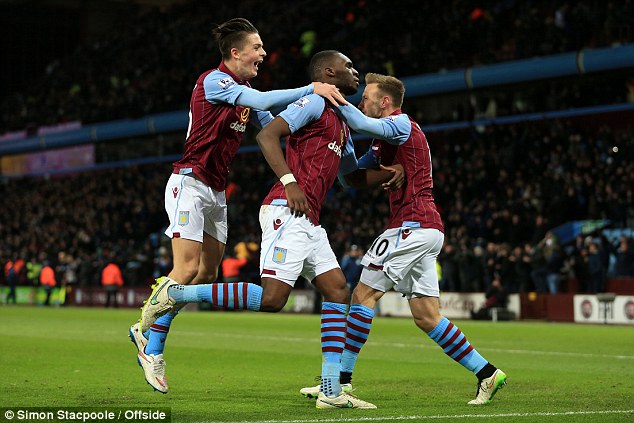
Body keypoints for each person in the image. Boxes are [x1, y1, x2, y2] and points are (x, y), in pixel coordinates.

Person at [141, 51, 403, 408]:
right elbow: (267, 135)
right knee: (273, 299)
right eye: (349, 68)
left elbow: (352, 177)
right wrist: (290, 181)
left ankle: (330, 390)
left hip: (310, 219)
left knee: (339, 291)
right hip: (286, 207)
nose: (355, 73)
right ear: (329, 73)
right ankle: (176, 295)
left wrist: (390, 174)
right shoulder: (312, 103)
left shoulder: (341, 119)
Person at [129, 18, 347, 394]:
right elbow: (263, 101)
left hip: (215, 191)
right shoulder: (214, 81)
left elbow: (271, 122)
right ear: (235, 52)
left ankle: (154, 327)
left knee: (206, 275)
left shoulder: (244, 91)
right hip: (189, 182)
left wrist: (315, 116)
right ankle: (149, 341)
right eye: (257, 47)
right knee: (186, 268)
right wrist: (311, 87)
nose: (263, 54)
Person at [300, 73, 507, 405]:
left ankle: (340, 382)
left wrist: (331, 100)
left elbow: (358, 120)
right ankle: (487, 373)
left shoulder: (402, 124)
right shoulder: (384, 141)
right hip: (420, 229)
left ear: (385, 102)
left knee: (362, 294)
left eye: (366, 97)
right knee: (427, 316)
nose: (360, 102)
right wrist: (343, 142)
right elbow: (350, 177)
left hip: (413, 226)